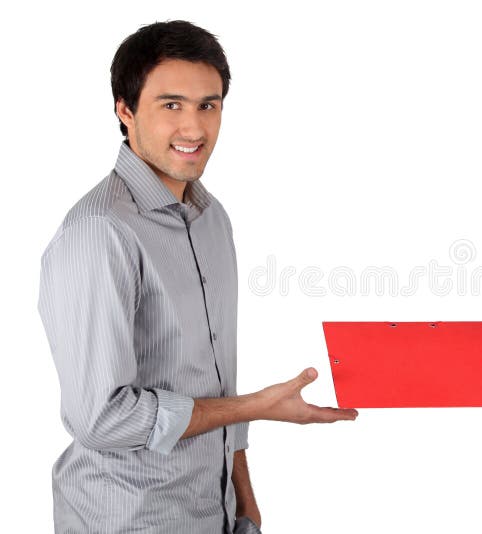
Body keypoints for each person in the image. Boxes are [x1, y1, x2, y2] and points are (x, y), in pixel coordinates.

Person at [37, 21, 357, 534]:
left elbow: (214, 379)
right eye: (171, 105)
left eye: (208, 105)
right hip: (128, 521)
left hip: (215, 513)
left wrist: (245, 504)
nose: (194, 129)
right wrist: (259, 406)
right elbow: (102, 419)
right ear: (125, 110)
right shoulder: (99, 233)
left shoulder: (211, 218)